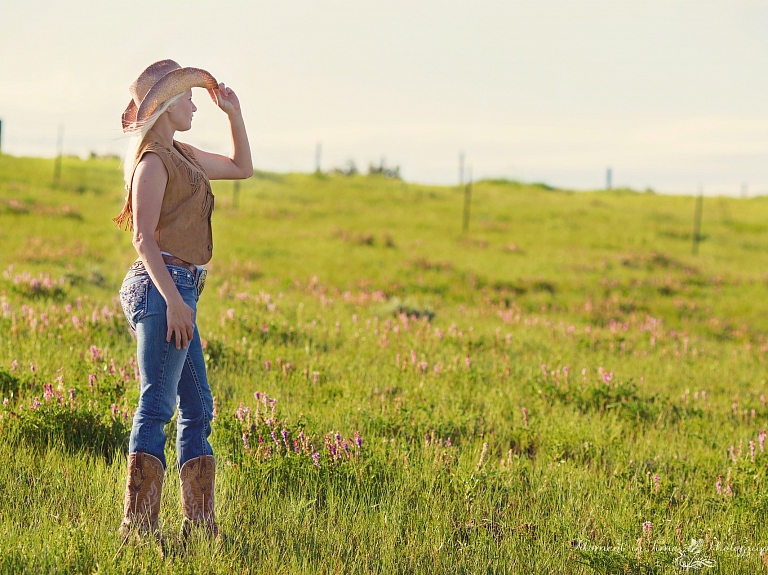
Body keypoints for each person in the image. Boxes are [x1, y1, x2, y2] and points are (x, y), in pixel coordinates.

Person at [113, 59, 252, 542]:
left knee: (198, 406)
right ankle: (138, 528)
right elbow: (143, 239)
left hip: (181, 287)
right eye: (189, 98)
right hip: (161, 287)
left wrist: (234, 113)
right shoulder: (152, 162)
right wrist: (174, 301)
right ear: (169, 107)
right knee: (156, 404)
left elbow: (241, 168)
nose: (196, 104)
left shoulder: (184, 153)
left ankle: (200, 524)